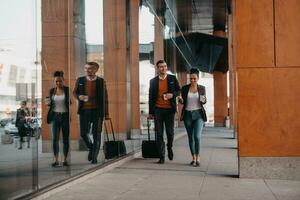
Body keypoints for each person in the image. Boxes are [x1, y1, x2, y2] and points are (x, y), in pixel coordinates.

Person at [73, 62, 109, 164]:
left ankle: (94, 157)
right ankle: (92, 148)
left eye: (90, 69)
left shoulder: (101, 81)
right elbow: (74, 93)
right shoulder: (80, 80)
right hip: (84, 111)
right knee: (83, 134)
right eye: (86, 68)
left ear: (96, 70)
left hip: (97, 111)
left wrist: (106, 113)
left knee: (96, 134)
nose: (88, 70)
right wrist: (79, 97)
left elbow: (105, 98)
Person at [148, 60, 181, 164]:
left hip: (169, 110)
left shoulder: (172, 78)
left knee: (170, 132)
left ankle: (169, 147)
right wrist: (150, 112)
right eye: (161, 67)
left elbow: (178, 90)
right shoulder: (153, 81)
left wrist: (173, 95)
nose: (163, 68)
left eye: (165, 66)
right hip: (158, 109)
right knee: (159, 133)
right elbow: (151, 97)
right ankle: (161, 156)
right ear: (157, 68)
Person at [178, 68, 207, 167]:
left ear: (198, 78)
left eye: (194, 78)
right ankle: (193, 157)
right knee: (190, 137)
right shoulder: (185, 88)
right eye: (191, 79)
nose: (192, 80)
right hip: (187, 115)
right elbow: (182, 102)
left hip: (198, 114)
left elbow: (203, 101)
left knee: (197, 136)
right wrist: (181, 100)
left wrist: (204, 100)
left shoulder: (202, 88)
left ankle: (198, 157)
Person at [46, 71, 70, 167]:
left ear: (63, 80)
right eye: (56, 81)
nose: (58, 83)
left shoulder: (67, 90)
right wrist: (48, 103)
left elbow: (70, 102)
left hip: (65, 116)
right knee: (55, 139)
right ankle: (56, 160)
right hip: (55, 117)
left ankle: (65, 160)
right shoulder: (52, 91)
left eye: (60, 81)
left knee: (65, 139)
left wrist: (70, 102)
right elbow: (50, 103)